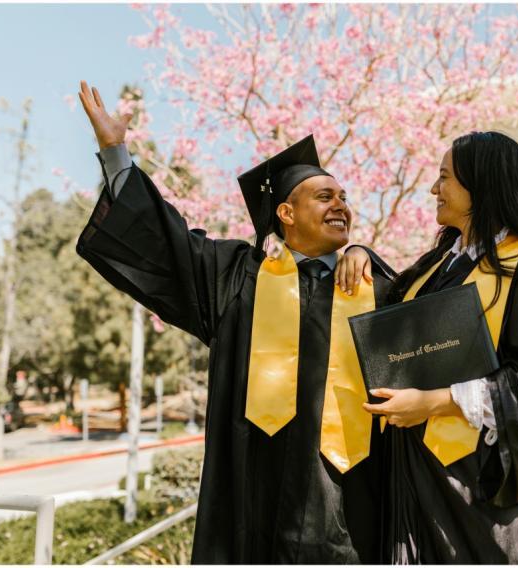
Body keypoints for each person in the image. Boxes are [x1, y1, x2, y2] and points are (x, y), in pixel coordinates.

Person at [75, 81, 396, 563]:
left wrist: (365, 254)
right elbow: (169, 243)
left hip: (351, 511)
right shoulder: (238, 277)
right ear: (285, 213)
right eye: (324, 196)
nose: (340, 205)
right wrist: (115, 152)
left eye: (344, 197)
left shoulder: (375, 285)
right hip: (254, 507)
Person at [336, 130, 518, 564]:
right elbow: (396, 325)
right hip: (413, 480)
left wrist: (434, 402)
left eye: (444, 177)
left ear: (482, 185)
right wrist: (359, 252)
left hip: (479, 492)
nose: (434, 189)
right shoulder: (439, 264)